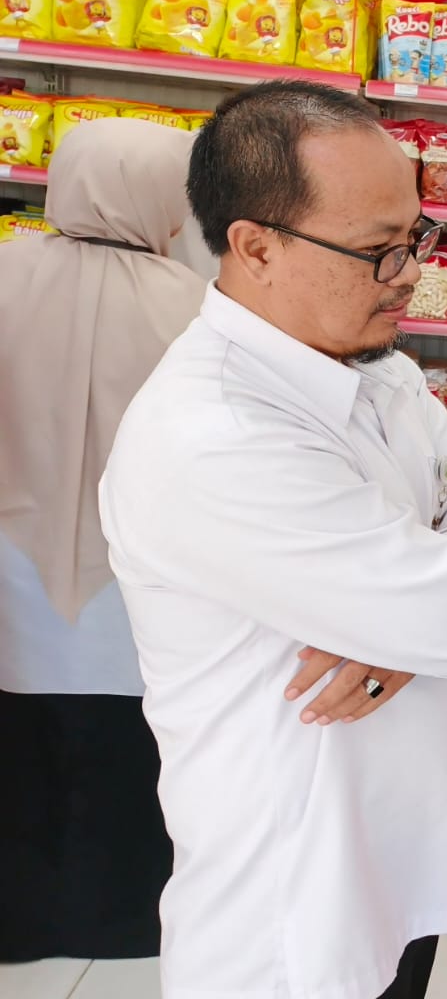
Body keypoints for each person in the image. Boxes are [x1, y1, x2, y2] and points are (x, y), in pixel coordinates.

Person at [99, 81, 447, 999]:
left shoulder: (372, 366)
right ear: (255, 246)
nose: (409, 275)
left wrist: (415, 631)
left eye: (417, 238)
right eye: (376, 252)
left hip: (394, 874)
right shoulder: (217, 435)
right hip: (293, 921)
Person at [0, 120, 206, 962]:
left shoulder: (5, 274)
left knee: (20, 751)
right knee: (136, 753)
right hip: (144, 582)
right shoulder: (198, 306)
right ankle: (129, 921)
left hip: (10, 569)